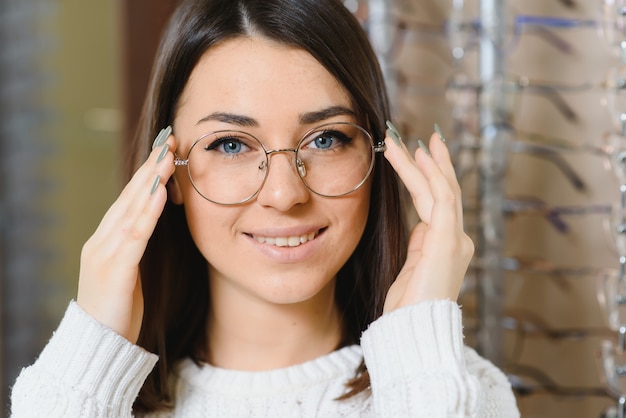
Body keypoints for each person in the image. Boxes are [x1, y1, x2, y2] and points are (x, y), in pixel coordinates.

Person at [11, 0, 519, 416]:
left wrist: (423, 361)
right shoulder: (86, 397)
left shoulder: (459, 392)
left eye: (326, 139)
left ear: (379, 155)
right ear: (169, 173)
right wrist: (89, 357)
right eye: (231, 144)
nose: (284, 194)